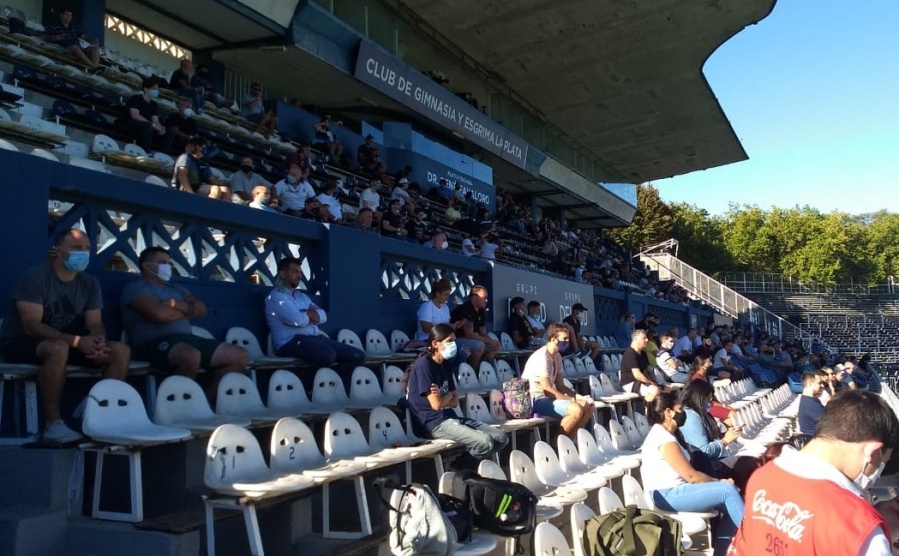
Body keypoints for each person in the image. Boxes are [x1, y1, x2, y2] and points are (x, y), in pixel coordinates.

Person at [728, 390, 899, 555]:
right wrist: (871, 531)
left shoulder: (762, 476)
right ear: (872, 452)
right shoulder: (857, 526)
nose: (875, 474)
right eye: (881, 463)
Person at [0, 229, 130, 443]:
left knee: (120, 351)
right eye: (77, 248)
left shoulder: (89, 283)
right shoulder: (36, 277)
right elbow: (31, 325)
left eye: (87, 249)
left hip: (69, 343)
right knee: (57, 349)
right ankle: (53, 425)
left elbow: (95, 323)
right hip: (19, 342)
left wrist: (98, 339)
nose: (84, 253)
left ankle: (96, 416)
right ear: (58, 250)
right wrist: (78, 342)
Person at [121, 247, 249, 399]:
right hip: (152, 342)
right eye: (162, 262)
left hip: (187, 339)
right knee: (189, 356)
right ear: (146, 266)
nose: (167, 267)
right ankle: (177, 406)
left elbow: (201, 310)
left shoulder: (177, 289)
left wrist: (173, 304)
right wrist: (187, 310)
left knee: (240, 356)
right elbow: (159, 315)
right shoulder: (136, 288)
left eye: (169, 263)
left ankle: (205, 401)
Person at [642, 392, 744, 556]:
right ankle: (755, 542)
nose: (683, 413)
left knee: (732, 497)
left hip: (675, 491)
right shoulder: (663, 439)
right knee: (727, 491)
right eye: (680, 408)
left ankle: (722, 552)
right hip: (667, 494)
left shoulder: (669, 435)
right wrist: (720, 482)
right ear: (668, 412)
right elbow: (692, 477)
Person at [404, 323, 508, 463]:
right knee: (485, 442)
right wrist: (447, 397)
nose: (454, 344)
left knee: (501, 438)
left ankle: (461, 464)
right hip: (432, 423)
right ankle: (462, 471)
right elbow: (436, 404)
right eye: (449, 341)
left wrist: (445, 398)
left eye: (454, 340)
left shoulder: (445, 364)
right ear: (435, 343)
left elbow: (454, 402)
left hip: (450, 417)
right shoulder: (424, 365)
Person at [264, 257, 365, 383]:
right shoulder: (276, 296)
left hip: (316, 338)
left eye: (300, 272)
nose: (299, 276)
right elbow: (297, 320)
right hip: (290, 342)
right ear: (282, 274)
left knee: (358, 356)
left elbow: (323, 316)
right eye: (295, 272)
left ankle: (332, 383)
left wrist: (304, 313)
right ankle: (306, 387)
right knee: (327, 354)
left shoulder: (302, 297)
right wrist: (309, 315)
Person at [521, 323, 593, 440]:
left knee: (589, 406)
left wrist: (580, 397)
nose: (568, 341)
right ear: (554, 340)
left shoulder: (557, 356)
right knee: (576, 409)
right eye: (564, 338)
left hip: (546, 398)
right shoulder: (542, 357)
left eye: (568, 338)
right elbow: (547, 389)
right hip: (534, 399)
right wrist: (574, 400)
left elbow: (560, 386)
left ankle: (570, 440)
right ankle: (556, 445)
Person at [679, 380, 743, 477]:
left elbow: (710, 437)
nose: (710, 401)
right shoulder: (691, 417)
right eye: (708, 398)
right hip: (708, 468)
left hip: (715, 461)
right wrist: (725, 441)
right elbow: (705, 451)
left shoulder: (701, 413)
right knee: (748, 464)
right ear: (699, 397)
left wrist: (728, 435)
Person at [450, 286, 499, 369]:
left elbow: (483, 332)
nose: (486, 300)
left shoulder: (481, 310)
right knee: (479, 346)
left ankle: (481, 369)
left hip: (473, 339)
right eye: (484, 298)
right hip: (458, 339)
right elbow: (469, 334)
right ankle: (472, 371)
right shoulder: (465, 309)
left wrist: (492, 342)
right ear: (475, 297)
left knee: (496, 346)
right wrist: (489, 341)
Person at [43, 6, 100, 71]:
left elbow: (84, 36)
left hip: (79, 48)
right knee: (74, 47)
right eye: (67, 14)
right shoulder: (55, 27)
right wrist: (54, 37)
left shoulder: (74, 27)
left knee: (95, 47)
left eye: (70, 15)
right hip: (65, 48)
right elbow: (42, 36)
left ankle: (95, 66)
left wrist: (92, 41)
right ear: (61, 15)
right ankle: (94, 67)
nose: (69, 17)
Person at [121, 78, 166, 152]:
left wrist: (161, 128)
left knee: (167, 133)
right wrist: (151, 124)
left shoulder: (154, 104)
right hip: (130, 124)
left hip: (145, 127)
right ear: (146, 89)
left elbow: (155, 120)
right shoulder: (136, 98)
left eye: (157, 89)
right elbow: (135, 115)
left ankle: (162, 154)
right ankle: (146, 152)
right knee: (148, 126)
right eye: (154, 88)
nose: (156, 91)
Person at [619, 329, 660, 399]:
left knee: (665, 389)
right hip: (631, 383)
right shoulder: (630, 353)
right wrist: (650, 382)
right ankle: (648, 409)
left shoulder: (643, 353)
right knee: (654, 390)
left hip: (641, 382)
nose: (647, 340)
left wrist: (655, 381)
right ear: (636, 339)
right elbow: (637, 375)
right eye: (644, 338)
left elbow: (648, 369)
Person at [797, 370, 825, 437]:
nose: (822, 385)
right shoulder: (810, 404)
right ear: (810, 383)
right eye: (819, 383)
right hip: (814, 439)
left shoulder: (810, 400)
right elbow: (828, 422)